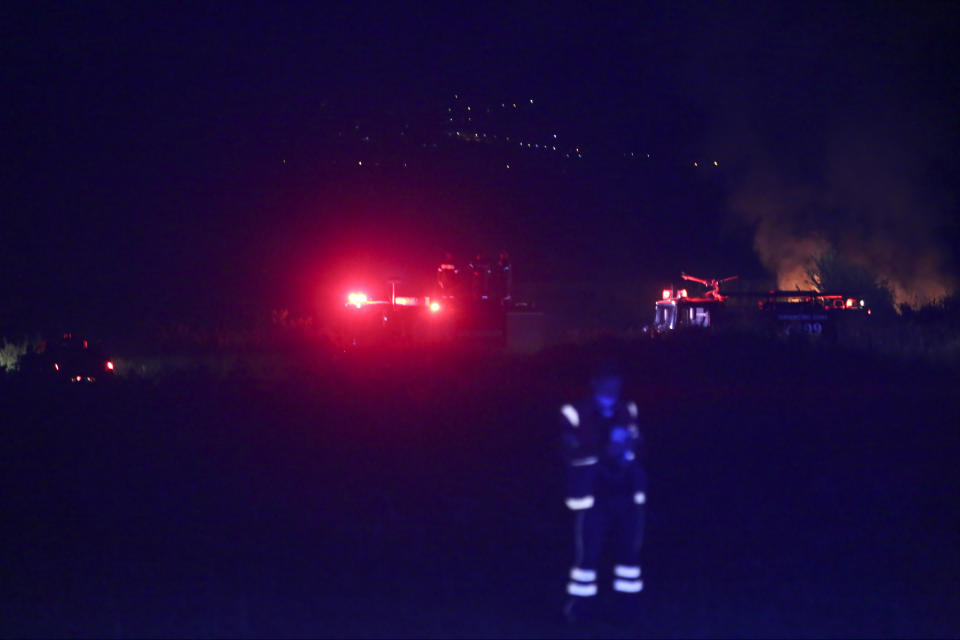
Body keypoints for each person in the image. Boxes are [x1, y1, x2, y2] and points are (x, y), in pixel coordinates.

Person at [560, 359, 646, 624]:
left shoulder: (627, 409)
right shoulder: (575, 411)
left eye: (616, 385)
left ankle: (627, 610)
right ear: (594, 384)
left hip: (627, 494)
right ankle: (580, 610)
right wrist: (601, 451)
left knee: (629, 558)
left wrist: (629, 447)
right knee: (587, 558)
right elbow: (568, 452)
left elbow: (638, 443)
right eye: (608, 384)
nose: (613, 390)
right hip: (592, 495)